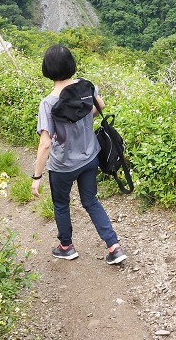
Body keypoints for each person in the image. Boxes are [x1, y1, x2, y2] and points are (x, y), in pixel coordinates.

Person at [31, 44, 127, 265]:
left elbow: (45, 144)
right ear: (71, 65)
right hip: (90, 157)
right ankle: (114, 246)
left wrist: (36, 178)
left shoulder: (48, 103)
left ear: (47, 68)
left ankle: (66, 246)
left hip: (63, 165)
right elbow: (99, 107)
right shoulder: (85, 87)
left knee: (62, 204)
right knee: (91, 201)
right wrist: (81, 119)